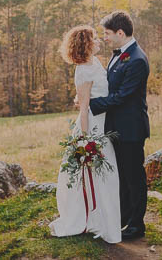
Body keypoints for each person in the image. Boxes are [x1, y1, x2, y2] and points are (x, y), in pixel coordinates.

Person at [49, 25, 122, 244]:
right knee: (98, 175)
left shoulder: (96, 63)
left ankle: (106, 219)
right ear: (87, 44)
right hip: (92, 127)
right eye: (95, 39)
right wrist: (85, 139)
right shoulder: (83, 70)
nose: (99, 41)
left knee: (107, 177)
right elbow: (83, 107)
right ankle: (94, 220)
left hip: (103, 122)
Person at [89, 10, 150, 241]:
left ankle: (137, 225)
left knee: (134, 178)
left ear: (120, 32)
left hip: (131, 129)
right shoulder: (119, 54)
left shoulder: (137, 60)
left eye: (107, 33)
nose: (104, 37)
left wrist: (91, 104)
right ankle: (123, 218)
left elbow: (122, 97)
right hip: (115, 127)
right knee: (122, 177)